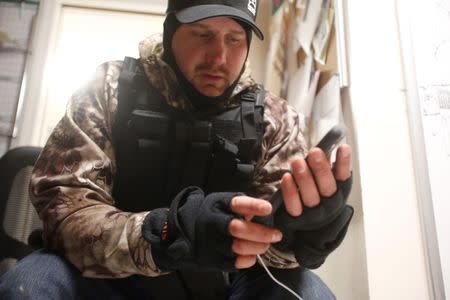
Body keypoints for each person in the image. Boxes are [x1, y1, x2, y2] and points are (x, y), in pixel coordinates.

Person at [0, 0, 354, 299]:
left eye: (235, 39)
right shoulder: (108, 91)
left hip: (224, 284)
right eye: (203, 34)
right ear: (171, 33)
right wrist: (167, 232)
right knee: (29, 285)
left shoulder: (274, 119)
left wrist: (298, 236)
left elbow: (273, 256)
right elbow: (64, 217)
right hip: (107, 277)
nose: (219, 56)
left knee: (309, 292)